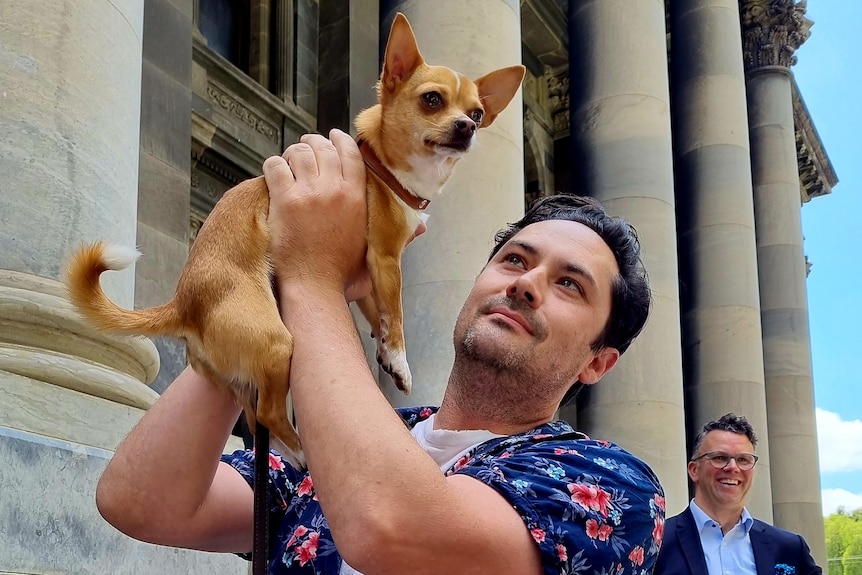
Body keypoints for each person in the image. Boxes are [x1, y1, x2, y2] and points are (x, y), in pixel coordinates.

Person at [94, 129, 665, 575]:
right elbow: (143, 501)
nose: (525, 284)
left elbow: (388, 526)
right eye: (515, 260)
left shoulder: (614, 486)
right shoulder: (355, 440)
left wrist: (313, 277)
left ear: (598, 361)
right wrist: (259, 287)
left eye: (570, 284)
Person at [656, 413, 822, 575]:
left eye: (743, 460)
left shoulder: (789, 548)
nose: (733, 468)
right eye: (720, 457)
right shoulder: (656, 543)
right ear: (694, 470)